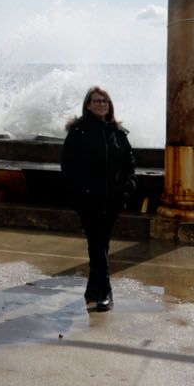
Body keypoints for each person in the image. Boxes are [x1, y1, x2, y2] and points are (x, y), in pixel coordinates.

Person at [60, 85, 136, 311]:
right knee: (98, 243)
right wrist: (80, 193)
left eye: (104, 100)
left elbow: (129, 165)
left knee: (100, 244)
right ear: (87, 105)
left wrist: (127, 189)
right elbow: (68, 168)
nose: (101, 104)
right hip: (88, 200)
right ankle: (105, 293)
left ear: (109, 105)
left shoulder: (118, 133)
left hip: (112, 200)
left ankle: (93, 289)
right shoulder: (78, 132)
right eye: (96, 100)